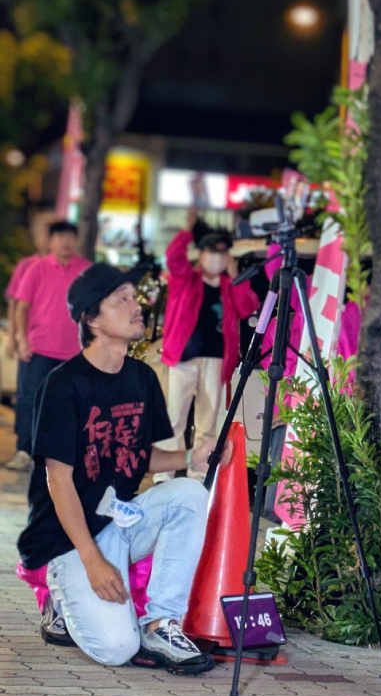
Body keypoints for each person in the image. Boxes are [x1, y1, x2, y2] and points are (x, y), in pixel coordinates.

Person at [17, 263, 231, 671]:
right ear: (92, 319)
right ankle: (61, 598)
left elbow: (136, 454)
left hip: (119, 523)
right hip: (68, 541)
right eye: (123, 300)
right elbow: (57, 480)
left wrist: (190, 458)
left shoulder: (141, 377)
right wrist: (93, 560)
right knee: (116, 650)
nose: (138, 307)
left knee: (189, 493)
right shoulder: (63, 385)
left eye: (136, 298)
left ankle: (160, 623)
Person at [157, 209, 258, 479]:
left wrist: (236, 276)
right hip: (184, 357)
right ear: (201, 255)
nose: (216, 257)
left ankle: (199, 475)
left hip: (216, 359)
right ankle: (163, 474)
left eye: (222, 252)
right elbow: (173, 258)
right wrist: (188, 230)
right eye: (211, 251)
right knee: (174, 418)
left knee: (208, 419)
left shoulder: (228, 284)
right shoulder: (185, 279)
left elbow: (247, 306)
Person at [8, 220, 91, 472]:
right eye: (60, 237)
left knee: (69, 406)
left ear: (76, 241)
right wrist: (21, 340)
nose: (65, 242)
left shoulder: (86, 271)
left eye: (70, 237)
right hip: (38, 350)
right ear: (51, 241)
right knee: (30, 401)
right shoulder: (36, 269)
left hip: (74, 353)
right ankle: (25, 451)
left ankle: (61, 457)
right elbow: (21, 307)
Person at [5, 211, 55, 469]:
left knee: (55, 401)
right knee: (27, 398)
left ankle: (47, 453)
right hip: (33, 346)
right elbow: (16, 304)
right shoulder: (29, 266)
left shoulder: (71, 268)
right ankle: (24, 450)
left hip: (62, 349)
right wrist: (14, 337)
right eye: (45, 232)